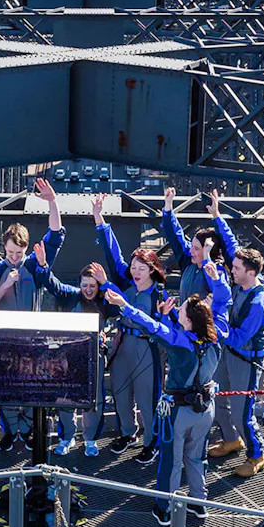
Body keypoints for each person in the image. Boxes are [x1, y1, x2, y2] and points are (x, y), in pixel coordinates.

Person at [104, 260, 230, 526]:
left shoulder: (178, 342)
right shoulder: (217, 333)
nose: (178, 308)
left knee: (171, 461)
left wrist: (124, 306)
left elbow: (150, 326)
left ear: (187, 319)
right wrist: (216, 280)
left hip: (179, 410)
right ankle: (199, 502)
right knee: (197, 457)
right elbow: (222, 302)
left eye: (181, 310)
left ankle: (164, 507)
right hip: (206, 409)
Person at [0, 178, 64, 452]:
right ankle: (9, 430)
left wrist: (52, 202)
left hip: (31, 337)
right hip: (3, 338)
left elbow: (55, 235)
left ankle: (27, 430)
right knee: (5, 386)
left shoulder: (34, 266)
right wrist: (5, 285)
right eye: (10, 252)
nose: (14, 257)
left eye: (19, 252)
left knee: (30, 384)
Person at [93, 193, 169, 464]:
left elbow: (157, 325)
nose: (135, 272)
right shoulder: (127, 283)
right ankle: (128, 432)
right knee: (121, 392)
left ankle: (152, 441)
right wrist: (99, 219)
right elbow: (114, 254)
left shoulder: (157, 293)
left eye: (141, 268)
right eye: (134, 267)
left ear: (151, 270)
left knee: (148, 399)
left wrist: (105, 285)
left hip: (146, 349)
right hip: (123, 343)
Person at [27, 242, 117, 457]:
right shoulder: (71, 296)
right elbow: (53, 285)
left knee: (94, 400)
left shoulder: (104, 301)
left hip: (93, 356)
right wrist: (43, 264)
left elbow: (118, 305)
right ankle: (67, 437)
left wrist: (105, 284)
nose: (88, 290)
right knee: (66, 398)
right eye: (85, 285)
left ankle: (91, 439)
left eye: (92, 286)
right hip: (68, 357)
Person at [217, 245, 264, 478]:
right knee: (218, 397)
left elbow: (240, 337)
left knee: (242, 412)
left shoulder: (259, 303)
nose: (232, 270)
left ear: (251, 272)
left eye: (237, 268)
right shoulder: (242, 287)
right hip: (230, 354)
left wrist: (217, 326)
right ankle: (231, 440)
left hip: (245, 360)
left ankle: (257, 454)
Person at [160, 186, 230, 302]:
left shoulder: (217, 271)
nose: (191, 251)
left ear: (208, 249)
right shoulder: (188, 262)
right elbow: (175, 236)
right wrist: (168, 206)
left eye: (196, 248)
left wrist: (217, 215)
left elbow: (221, 296)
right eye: (192, 246)